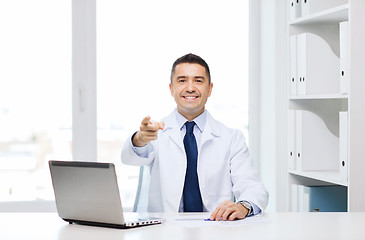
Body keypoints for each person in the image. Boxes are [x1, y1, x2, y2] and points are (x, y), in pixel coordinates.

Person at [121, 53, 268, 221]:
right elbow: (129, 158)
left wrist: (243, 206)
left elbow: (253, 187)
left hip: (216, 228)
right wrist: (140, 139)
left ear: (210, 88)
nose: (190, 88)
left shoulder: (231, 138)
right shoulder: (157, 134)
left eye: (198, 81)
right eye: (182, 80)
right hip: (165, 230)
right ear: (171, 89)